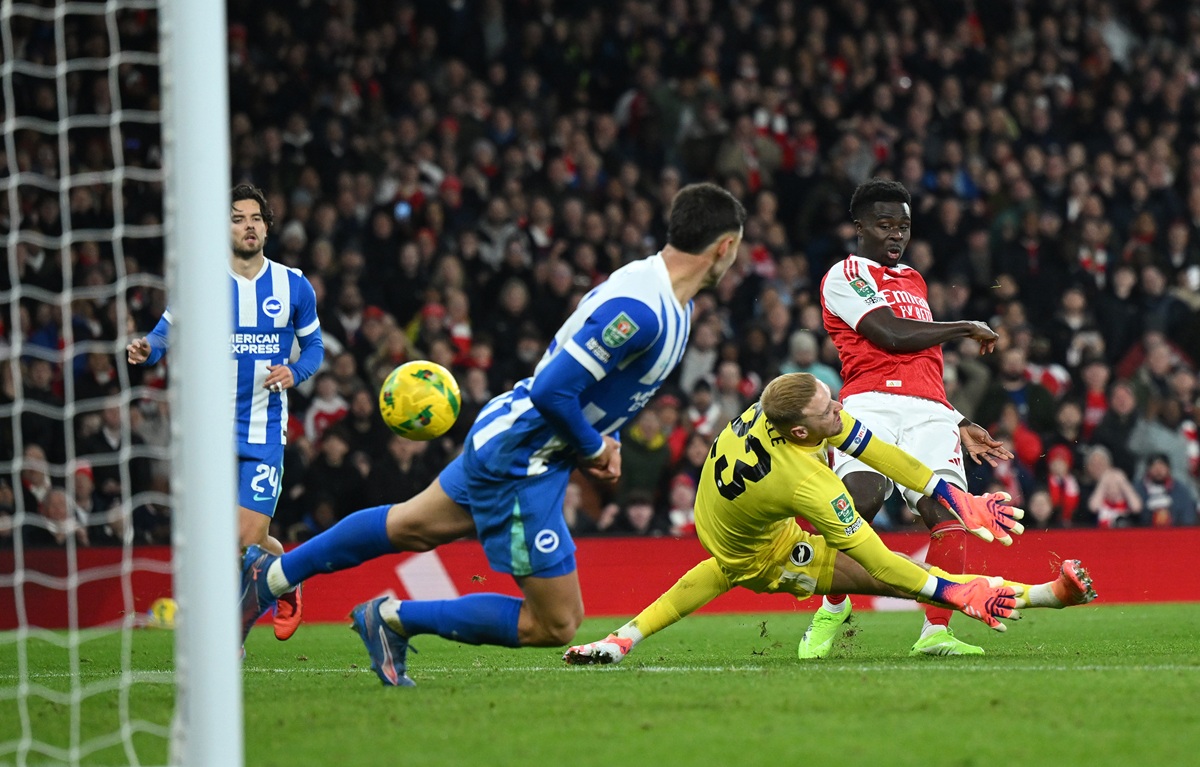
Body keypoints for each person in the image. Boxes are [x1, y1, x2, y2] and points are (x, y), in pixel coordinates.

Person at [238, 182, 748, 686]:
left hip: (516, 437)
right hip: (525, 458)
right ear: (724, 247)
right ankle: (393, 618)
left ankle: (274, 576)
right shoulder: (642, 310)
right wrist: (592, 445)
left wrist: (598, 438)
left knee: (410, 526)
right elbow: (553, 390)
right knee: (557, 622)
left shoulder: (668, 300)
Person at [564, 373, 1096, 665]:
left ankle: (621, 640)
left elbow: (881, 451)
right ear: (801, 433)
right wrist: (956, 595)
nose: (839, 409)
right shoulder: (809, 484)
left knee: (715, 568)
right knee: (892, 578)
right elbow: (883, 565)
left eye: (831, 398)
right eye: (828, 412)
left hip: (736, 526)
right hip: (765, 556)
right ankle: (1049, 595)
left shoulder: (785, 403)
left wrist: (953, 496)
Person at [814, 178, 1014, 657]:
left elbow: (924, 361)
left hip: (930, 410)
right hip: (868, 403)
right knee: (859, 502)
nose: (896, 235)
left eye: (903, 226)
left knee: (946, 514)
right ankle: (834, 604)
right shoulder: (844, 274)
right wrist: (965, 325)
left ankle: (937, 631)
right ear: (858, 226)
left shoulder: (914, 279)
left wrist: (958, 416)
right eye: (884, 225)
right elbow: (890, 335)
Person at [127, 184, 324, 641]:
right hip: (209, 432)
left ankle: (225, 635)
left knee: (243, 539)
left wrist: (295, 372)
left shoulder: (293, 284)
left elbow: (313, 345)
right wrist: (145, 349)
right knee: (231, 541)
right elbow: (163, 335)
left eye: (255, 218)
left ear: (267, 227)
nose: (248, 225)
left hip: (264, 430)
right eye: (237, 218)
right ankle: (287, 585)